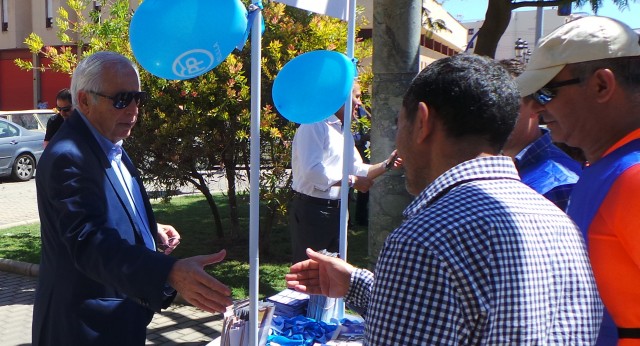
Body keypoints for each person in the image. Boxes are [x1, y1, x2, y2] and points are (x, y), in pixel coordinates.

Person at [286, 54, 602, 344]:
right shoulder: (560, 223)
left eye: (399, 123)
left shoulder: (426, 239)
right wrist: (356, 283)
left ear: (422, 122)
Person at [33, 51, 233, 345]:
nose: (134, 109)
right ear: (85, 100)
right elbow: (88, 242)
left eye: (138, 98)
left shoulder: (110, 143)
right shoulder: (69, 156)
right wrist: (169, 272)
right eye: (121, 99)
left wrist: (146, 229)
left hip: (121, 315)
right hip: (84, 327)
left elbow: (105, 207)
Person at [516, 16, 640, 345]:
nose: (532, 109)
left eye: (544, 93)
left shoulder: (633, 177)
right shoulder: (608, 167)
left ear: (602, 85)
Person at [289, 81, 399, 263]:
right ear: (341, 97)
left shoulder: (342, 132)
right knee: (310, 276)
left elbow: (357, 168)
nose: (360, 103)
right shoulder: (315, 125)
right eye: (357, 96)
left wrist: (387, 165)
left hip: (337, 212)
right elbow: (312, 171)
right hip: (313, 212)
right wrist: (353, 181)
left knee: (333, 275)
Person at [498, 59, 582, 211]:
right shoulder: (499, 168)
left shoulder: (559, 183)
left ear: (535, 107)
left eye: (505, 104)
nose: (492, 114)